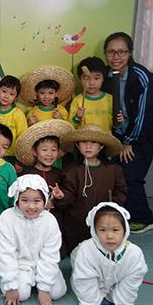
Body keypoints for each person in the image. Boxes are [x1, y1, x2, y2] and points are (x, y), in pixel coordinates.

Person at [103, 31, 153, 233]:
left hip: (141, 136)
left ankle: (144, 218)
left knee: (131, 175)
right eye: (111, 52)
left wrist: (129, 141)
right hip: (118, 134)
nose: (116, 57)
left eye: (121, 52)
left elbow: (144, 114)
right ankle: (122, 213)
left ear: (130, 53)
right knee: (113, 174)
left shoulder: (141, 76)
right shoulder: (106, 76)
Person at [0, 174, 66, 305]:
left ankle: (39, 280)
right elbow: (5, 253)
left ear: (45, 200)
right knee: (21, 294)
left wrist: (44, 288)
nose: (31, 206)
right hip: (18, 265)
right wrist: (10, 285)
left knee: (58, 292)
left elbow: (50, 255)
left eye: (37, 201)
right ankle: (5, 277)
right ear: (17, 200)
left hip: (40, 263)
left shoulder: (50, 221)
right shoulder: (7, 218)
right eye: (25, 200)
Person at [55, 124, 127, 257]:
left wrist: (111, 208)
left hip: (104, 224)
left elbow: (120, 192)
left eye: (93, 142)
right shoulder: (71, 171)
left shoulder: (113, 170)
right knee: (79, 257)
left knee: (102, 255)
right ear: (77, 145)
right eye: (83, 142)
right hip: (77, 225)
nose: (88, 146)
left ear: (101, 146)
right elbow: (68, 194)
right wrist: (61, 196)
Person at [71, 202, 148, 305]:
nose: (109, 236)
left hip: (112, 279)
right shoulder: (86, 251)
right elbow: (84, 281)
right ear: (94, 231)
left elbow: (131, 282)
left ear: (125, 230)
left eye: (115, 230)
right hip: (88, 275)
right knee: (86, 281)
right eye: (102, 230)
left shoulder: (134, 254)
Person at [15, 119, 74, 227]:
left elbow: (68, 199)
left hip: (54, 224)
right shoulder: (26, 175)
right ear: (34, 151)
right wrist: (40, 205)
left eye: (53, 150)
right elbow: (19, 200)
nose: (49, 154)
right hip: (29, 223)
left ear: (58, 151)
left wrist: (60, 197)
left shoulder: (61, 175)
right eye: (44, 149)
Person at [69, 56, 121, 131]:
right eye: (86, 78)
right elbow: (71, 126)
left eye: (96, 78)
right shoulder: (77, 100)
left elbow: (116, 126)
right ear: (80, 79)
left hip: (105, 137)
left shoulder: (110, 99)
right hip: (84, 138)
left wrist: (119, 121)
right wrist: (77, 117)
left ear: (103, 78)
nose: (91, 83)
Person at [0, 75, 27, 165]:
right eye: (4, 91)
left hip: (10, 157)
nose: (6, 96)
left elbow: (23, 139)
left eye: (11, 94)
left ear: (16, 97)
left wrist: (19, 160)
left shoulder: (18, 114)